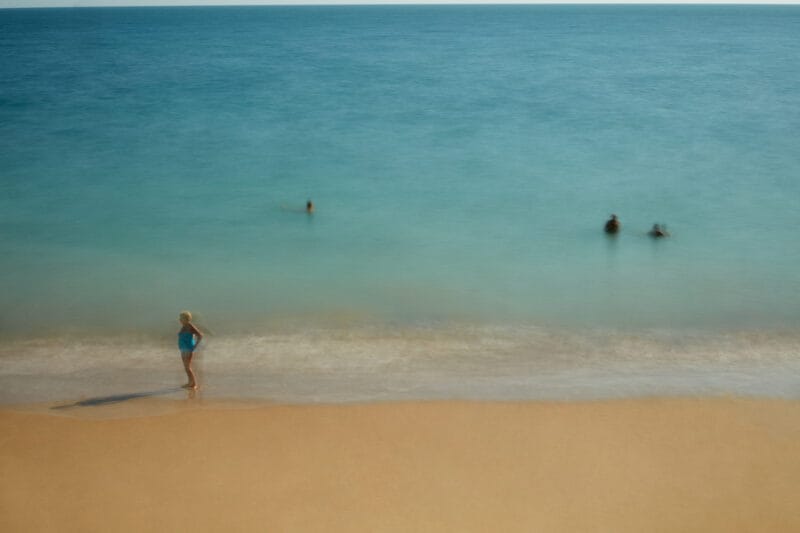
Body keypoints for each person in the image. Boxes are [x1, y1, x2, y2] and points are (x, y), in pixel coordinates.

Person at [178, 311, 203, 390]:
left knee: (187, 367)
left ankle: (194, 384)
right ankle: (190, 383)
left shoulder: (189, 326)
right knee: (186, 367)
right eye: (180, 318)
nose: (179, 320)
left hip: (188, 349)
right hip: (183, 348)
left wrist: (195, 345)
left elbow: (200, 335)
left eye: (181, 318)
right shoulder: (184, 326)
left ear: (186, 319)